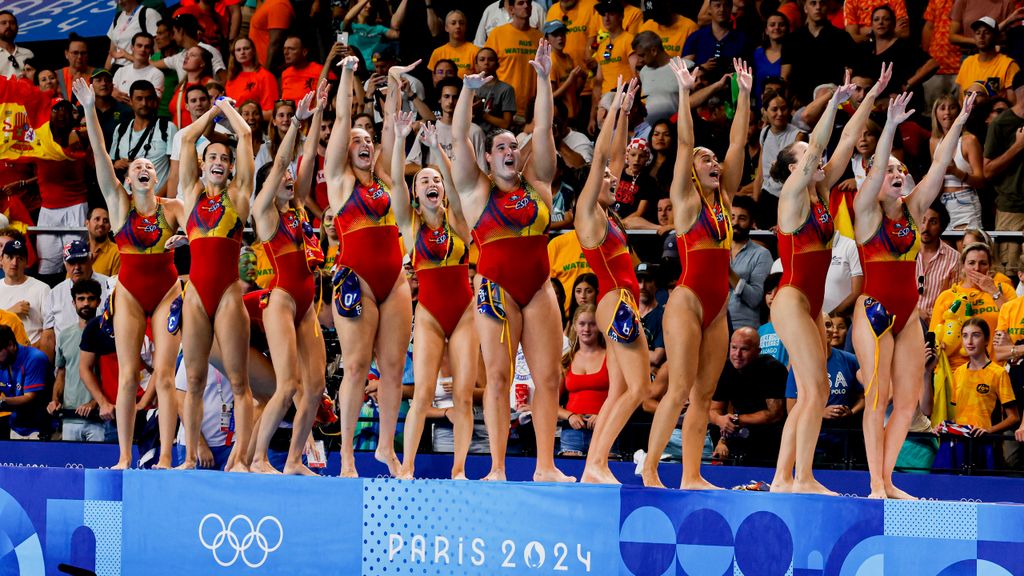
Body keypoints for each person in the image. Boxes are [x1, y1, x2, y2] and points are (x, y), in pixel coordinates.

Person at [451, 40, 573, 482]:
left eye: (512, 147)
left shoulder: (538, 183)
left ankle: (545, 467)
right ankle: (498, 468)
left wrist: (543, 79)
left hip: (539, 290)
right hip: (496, 289)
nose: (508, 150)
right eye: (500, 146)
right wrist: (466, 92)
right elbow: (459, 136)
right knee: (499, 380)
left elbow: (543, 129)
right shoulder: (474, 189)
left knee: (549, 379)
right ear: (488, 158)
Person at [852, 89, 975, 499]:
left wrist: (960, 122)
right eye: (889, 170)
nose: (898, 173)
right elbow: (874, 173)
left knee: (907, 403)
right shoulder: (865, 209)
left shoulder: (914, 209)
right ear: (873, 176)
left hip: (908, 315)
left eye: (901, 168)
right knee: (878, 396)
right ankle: (874, 484)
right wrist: (888, 125)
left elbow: (940, 164)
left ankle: (888, 480)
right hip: (872, 310)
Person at [642, 57, 751, 489]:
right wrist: (685, 94)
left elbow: (739, 145)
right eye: (706, 158)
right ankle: (650, 467)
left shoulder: (724, 202)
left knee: (703, 396)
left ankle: (691, 475)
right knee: (680, 387)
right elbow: (686, 145)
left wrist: (742, 95)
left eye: (713, 159)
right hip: (686, 303)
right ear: (691, 170)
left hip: (718, 311)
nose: (713, 161)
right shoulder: (686, 201)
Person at [768, 67, 876, 494]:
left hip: (813, 306)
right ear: (794, 167)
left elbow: (847, 140)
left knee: (814, 391)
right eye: (806, 157)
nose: (816, 160)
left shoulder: (820, 192)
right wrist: (831, 100)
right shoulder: (792, 198)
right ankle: (802, 477)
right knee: (813, 389)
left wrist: (865, 97)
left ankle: (784, 478)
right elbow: (817, 148)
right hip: (792, 299)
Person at [74, 78, 183, 469]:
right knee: (126, 376)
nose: (142, 168)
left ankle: (167, 456)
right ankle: (123, 457)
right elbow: (102, 155)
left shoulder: (172, 207)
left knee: (167, 377)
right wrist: (89, 108)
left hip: (169, 291)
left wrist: (183, 239)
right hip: (132, 295)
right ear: (127, 178)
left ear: (155, 177)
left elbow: (192, 231)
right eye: (135, 165)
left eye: (147, 166)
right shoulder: (119, 206)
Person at [326, 56, 412, 477]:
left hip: (394, 281)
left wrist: (394, 82)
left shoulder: (388, 181)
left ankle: (385, 449)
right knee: (357, 366)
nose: (364, 142)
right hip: (355, 280)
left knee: (393, 366)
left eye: (369, 140)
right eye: (357, 139)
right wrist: (346, 74)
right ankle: (344, 456)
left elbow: (393, 127)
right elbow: (343, 117)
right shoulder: (338, 181)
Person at [572, 77, 650, 482]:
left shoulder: (608, 213)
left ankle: (593, 468)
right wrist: (613, 106)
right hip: (615, 301)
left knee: (620, 391)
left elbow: (615, 158)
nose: (612, 180)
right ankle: (597, 463)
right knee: (640, 389)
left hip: (621, 302)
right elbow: (603, 154)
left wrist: (625, 112)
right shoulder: (588, 213)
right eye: (603, 179)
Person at [173, 90, 255, 472]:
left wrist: (227, 110)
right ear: (202, 166)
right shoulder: (189, 195)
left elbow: (247, 137)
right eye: (213, 158)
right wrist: (211, 112)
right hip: (195, 297)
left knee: (239, 382)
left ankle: (240, 458)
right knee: (192, 378)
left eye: (225, 158)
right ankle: (188, 457)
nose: (219, 161)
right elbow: (187, 138)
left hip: (226, 296)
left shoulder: (238, 197)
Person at [393, 113, 477, 479]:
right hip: (428, 313)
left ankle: (459, 470)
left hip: (464, 313)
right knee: (423, 393)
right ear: (416, 194)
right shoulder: (410, 226)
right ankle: (407, 467)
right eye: (424, 180)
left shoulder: (458, 219)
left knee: (462, 395)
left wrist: (437, 152)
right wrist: (400, 139)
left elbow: (458, 188)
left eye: (436, 180)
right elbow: (396, 181)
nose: (432, 183)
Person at [249, 86, 329, 475]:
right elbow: (285, 159)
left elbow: (307, 157)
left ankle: (295, 460)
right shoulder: (264, 211)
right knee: (287, 386)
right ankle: (259, 458)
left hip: (307, 306)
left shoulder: (297, 207)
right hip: (280, 301)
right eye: (282, 175)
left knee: (314, 389)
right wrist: (295, 121)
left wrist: (316, 117)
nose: (289, 177)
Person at [945, 318, 1020, 468]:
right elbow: (958, 416)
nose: (969, 341)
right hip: (961, 447)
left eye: (976, 335)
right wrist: (946, 426)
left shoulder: (998, 373)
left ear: (986, 340)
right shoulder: (958, 373)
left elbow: (1014, 417)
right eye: (965, 335)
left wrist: (989, 430)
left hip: (987, 447)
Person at [930, 242, 1015, 372]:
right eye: (971, 263)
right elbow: (934, 338)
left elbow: (1015, 323)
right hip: (955, 370)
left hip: (994, 369)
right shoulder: (947, 296)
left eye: (983, 263)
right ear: (963, 266)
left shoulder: (1004, 290)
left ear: (990, 266)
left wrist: (993, 292)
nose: (977, 268)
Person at [709, 327, 788, 463]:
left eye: (744, 349)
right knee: (715, 426)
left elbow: (774, 414)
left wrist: (736, 419)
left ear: (757, 352)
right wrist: (720, 421)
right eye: (734, 348)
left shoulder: (773, 369)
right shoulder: (725, 367)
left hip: (771, 435)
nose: (737, 354)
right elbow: (713, 409)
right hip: (737, 429)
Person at [48, 279, 110, 442]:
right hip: (69, 417)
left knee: (99, 466)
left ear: (98, 302)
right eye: (81, 299)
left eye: (90, 299)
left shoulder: (107, 334)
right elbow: (61, 373)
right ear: (73, 302)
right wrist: (55, 400)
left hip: (99, 419)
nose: (86, 303)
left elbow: (110, 375)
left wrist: (95, 403)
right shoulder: (64, 335)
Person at [109, 80, 177, 198]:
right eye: (139, 99)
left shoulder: (167, 128)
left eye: (149, 98)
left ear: (155, 100)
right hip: (128, 201)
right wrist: (116, 164)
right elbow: (111, 166)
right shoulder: (121, 129)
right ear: (130, 101)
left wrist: (157, 201)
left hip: (158, 200)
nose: (144, 103)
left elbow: (176, 172)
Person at [782, 0, 857, 105]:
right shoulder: (792, 39)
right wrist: (788, 101)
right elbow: (785, 76)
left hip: (833, 102)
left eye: (822, 3)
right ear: (805, 8)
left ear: (828, 7)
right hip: (800, 103)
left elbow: (851, 72)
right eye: (813, 3)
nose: (818, 7)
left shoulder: (842, 38)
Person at [558, 304, 608, 456]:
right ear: (574, 326)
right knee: (571, 474)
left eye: (592, 324)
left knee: (605, 477)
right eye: (582, 324)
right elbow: (550, 403)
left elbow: (623, 396)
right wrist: (570, 416)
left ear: (599, 326)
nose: (586, 329)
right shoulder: (566, 360)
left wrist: (603, 415)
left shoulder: (612, 357)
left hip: (605, 428)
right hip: (572, 430)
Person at [485, 0, 543, 121]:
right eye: (521, 3)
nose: (526, 6)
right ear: (511, 10)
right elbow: (486, 69)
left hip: (531, 110)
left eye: (528, 3)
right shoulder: (497, 34)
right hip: (502, 108)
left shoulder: (539, 37)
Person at [43, 241, 112, 341]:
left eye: (81, 261)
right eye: (71, 263)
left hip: (102, 352)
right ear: (65, 264)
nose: (77, 267)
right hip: (66, 354)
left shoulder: (109, 286)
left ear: (91, 259)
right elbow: (48, 335)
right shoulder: (55, 293)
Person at [727, 195, 772, 330]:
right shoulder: (716, 250)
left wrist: (727, 271)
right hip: (715, 327)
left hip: (744, 329)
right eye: (732, 216)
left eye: (742, 218)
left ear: (752, 222)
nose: (735, 222)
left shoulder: (761, 254)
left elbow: (755, 298)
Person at [0, 240, 51, 354]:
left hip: (31, 353)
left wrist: (32, 354)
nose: (14, 263)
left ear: (26, 263)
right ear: (1, 260)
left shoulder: (42, 289)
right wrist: (11, 313)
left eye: (20, 258)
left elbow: (49, 330)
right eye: (10, 257)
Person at [0, 325, 50, 440]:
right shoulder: (3, 362)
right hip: (16, 428)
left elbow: (29, 397)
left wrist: (2, 402)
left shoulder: (35, 358)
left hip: (39, 430)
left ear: (10, 345)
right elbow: (6, 386)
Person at [956, 17, 1020, 102]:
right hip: (969, 114)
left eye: (986, 32)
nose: (981, 36)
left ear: (996, 37)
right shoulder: (967, 62)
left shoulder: (1008, 65)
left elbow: (1014, 104)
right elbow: (961, 99)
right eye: (978, 33)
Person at [916, 203, 960, 325]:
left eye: (933, 222)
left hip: (937, 325)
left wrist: (935, 317)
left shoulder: (954, 259)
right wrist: (916, 313)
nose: (925, 227)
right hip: (905, 322)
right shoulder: (903, 253)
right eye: (922, 220)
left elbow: (954, 301)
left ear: (942, 227)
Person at [225, 37, 278, 120]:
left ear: (253, 51)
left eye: (246, 48)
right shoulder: (231, 78)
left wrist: (242, 113)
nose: (242, 52)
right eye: (238, 50)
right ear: (234, 54)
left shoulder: (266, 76)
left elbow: (272, 113)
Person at [106, 0, 162, 70]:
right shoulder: (118, 17)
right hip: (117, 71)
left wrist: (155, 68)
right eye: (117, 0)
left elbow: (158, 49)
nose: (120, 2)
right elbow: (111, 53)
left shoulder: (148, 14)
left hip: (139, 69)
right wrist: (105, 74)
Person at [112, 32, 165, 103]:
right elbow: (111, 95)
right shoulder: (121, 71)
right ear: (132, 48)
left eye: (147, 47)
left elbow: (153, 104)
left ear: (151, 50)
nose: (143, 49)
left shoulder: (157, 74)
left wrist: (123, 100)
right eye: (139, 46)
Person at [89, 70, 132, 156]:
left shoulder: (126, 111)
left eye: (107, 80)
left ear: (112, 86)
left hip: (117, 163)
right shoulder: (82, 110)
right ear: (91, 85)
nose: (104, 83)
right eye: (99, 80)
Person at [429, 10, 479, 78]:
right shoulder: (438, 52)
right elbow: (435, 81)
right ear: (446, 28)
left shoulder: (475, 51)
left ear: (465, 27)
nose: (458, 26)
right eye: (453, 23)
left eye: (461, 23)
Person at [280, 36, 323, 103]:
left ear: (304, 52)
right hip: (289, 112)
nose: (286, 52)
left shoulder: (320, 70)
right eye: (284, 49)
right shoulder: (285, 73)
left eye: (291, 49)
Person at [0, 11, 32, 79]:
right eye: (3, 23)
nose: (8, 26)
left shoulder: (28, 53)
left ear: (17, 28)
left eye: (12, 23)